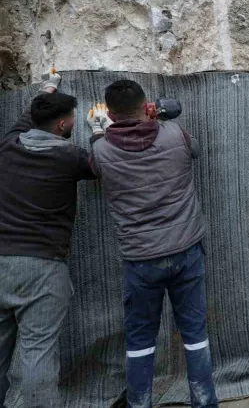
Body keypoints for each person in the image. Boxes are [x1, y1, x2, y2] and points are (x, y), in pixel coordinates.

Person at [88, 80, 217, 408]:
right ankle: (205, 402)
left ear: (111, 114)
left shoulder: (101, 150)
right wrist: (156, 120)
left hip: (141, 260)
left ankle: (140, 403)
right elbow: (196, 150)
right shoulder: (176, 134)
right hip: (186, 252)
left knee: (141, 340)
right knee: (194, 335)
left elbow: (95, 164)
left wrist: (99, 132)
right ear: (146, 105)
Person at [0, 73, 100, 407]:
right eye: (71, 117)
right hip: (41, 268)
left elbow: (27, 118)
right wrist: (100, 129)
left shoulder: (10, 144)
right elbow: (104, 165)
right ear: (61, 125)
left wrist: (47, 89)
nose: (74, 121)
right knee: (37, 352)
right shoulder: (68, 156)